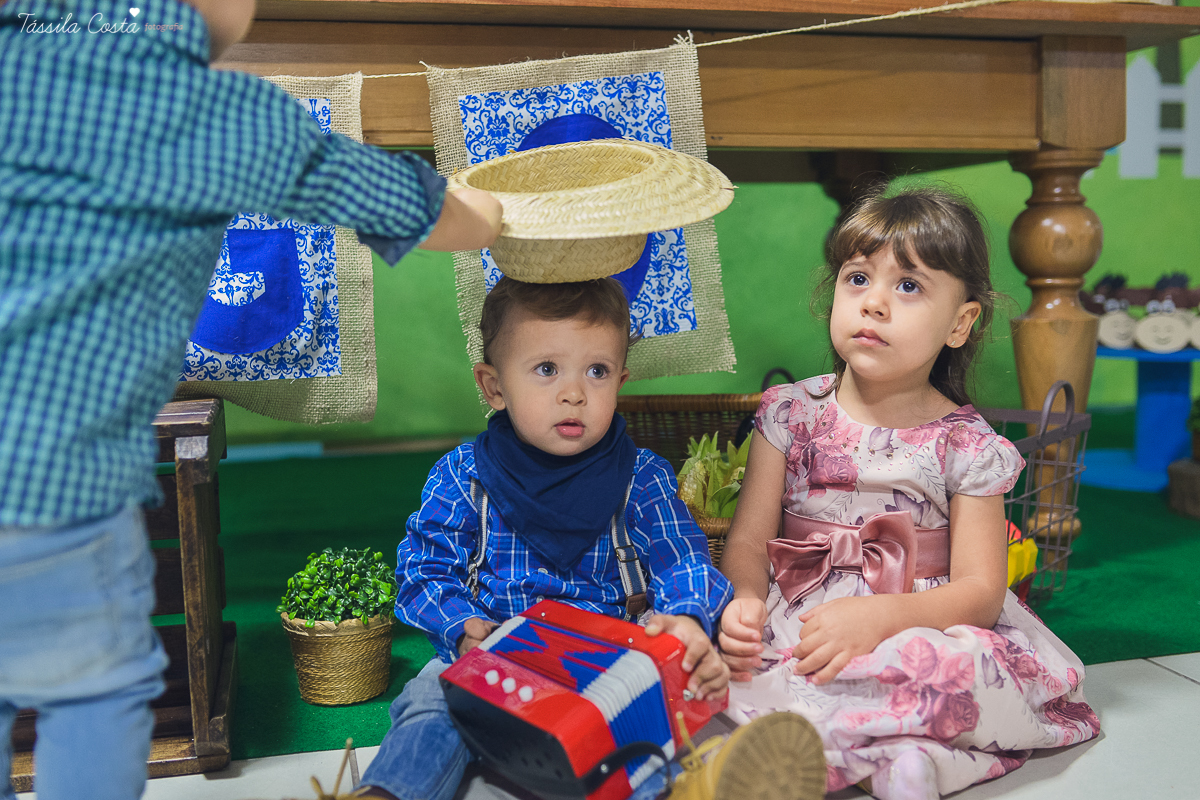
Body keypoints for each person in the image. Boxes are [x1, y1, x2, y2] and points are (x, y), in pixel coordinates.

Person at [0, 1, 501, 798]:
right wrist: (488, 209)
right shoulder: (214, 110)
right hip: (58, 491)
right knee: (92, 692)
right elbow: (426, 208)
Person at [716, 187, 1100, 800]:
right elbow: (748, 541)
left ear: (960, 323)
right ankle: (884, 750)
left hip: (922, 618)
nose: (873, 303)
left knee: (955, 670)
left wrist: (882, 617)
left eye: (909, 286)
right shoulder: (789, 412)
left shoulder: (965, 444)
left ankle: (906, 760)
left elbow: (979, 591)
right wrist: (743, 603)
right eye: (858, 277)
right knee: (719, 670)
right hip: (802, 613)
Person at [356, 277, 747, 800]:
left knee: (641, 740)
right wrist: (463, 627)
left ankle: (696, 784)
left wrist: (688, 619)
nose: (574, 392)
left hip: (603, 665)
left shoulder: (642, 476)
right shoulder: (463, 475)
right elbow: (424, 573)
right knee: (431, 702)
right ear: (494, 386)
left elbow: (685, 562)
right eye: (546, 369)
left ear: (621, 380)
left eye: (597, 371)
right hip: (495, 655)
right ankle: (387, 793)